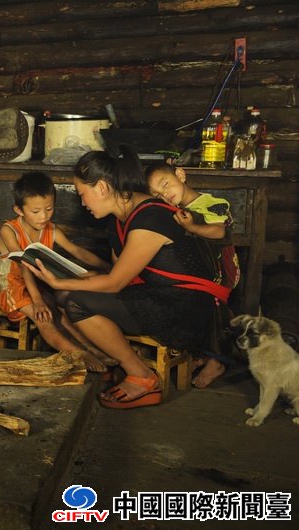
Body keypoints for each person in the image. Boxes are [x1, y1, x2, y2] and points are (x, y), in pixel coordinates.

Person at [24, 146, 223, 409]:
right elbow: (118, 271)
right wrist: (76, 279)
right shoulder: (119, 217)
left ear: (102, 188)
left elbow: (115, 282)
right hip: (157, 293)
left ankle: (142, 376)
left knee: (76, 303)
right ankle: (109, 361)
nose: (83, 203)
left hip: (184, 306)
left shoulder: (149, 218)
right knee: (64, 296)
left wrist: (58, 281)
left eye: (83, 195)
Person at [0, 172, 112, 372]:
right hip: (13, 287)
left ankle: (93, 349)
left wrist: (108, 267)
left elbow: (78, 252)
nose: (43, 216)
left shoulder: (50, 229)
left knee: (64, 315)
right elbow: (23, 265)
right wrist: (38, 301)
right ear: (19, 210)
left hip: (40, 282)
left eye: (49, 209)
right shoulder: (9, 230)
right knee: (45, 319)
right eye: (36, 211)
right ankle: (79, 354)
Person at [145, 162, 240, 388]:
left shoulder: (212, 203)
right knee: (199, 308)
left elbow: (219, 231)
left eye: (165, 184)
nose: (165, 194)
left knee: (216, 311)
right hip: (199, 270)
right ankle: (203, 354)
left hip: (220, 270)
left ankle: (218, 361)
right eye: (157, 194)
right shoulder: (174, 210)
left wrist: (192, 228)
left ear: (180, 174)